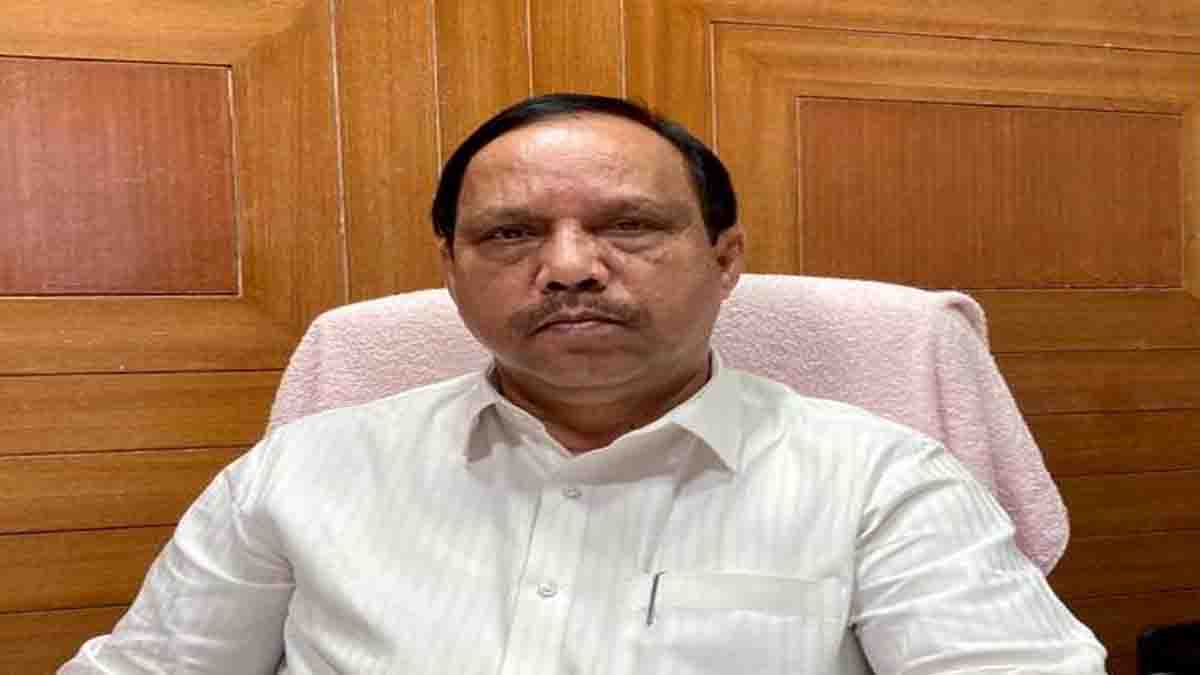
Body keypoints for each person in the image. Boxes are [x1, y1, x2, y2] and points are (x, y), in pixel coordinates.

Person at [61, 93, 1107, 674]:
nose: (568, 268)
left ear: (726, 260)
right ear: (451, 269)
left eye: (630, 226)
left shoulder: (881, 480)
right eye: (511, 234)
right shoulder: (300, 472)